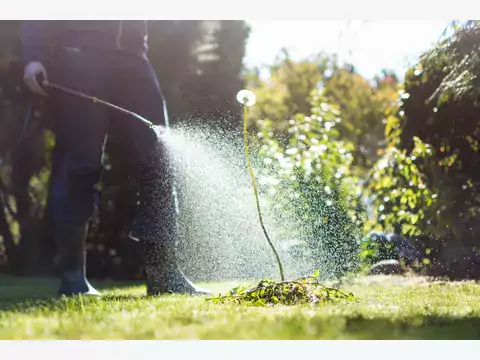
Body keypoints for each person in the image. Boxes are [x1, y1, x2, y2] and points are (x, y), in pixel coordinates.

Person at [21, 20, 210, 297]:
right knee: (79, 164)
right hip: (79, 53)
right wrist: (33, 55)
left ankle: (164, 276)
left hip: (134, 56)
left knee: (161, 155)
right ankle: (73, 279)